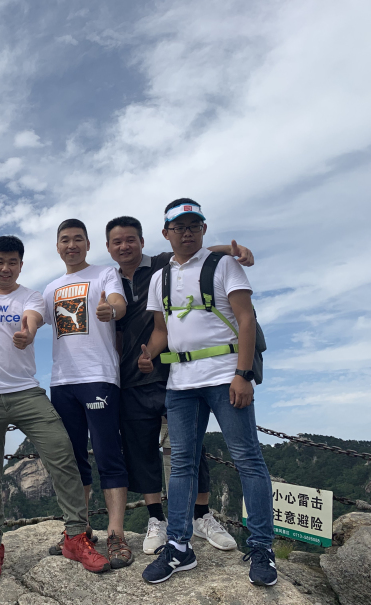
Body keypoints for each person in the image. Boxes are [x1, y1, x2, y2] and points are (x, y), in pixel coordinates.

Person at [139, 200, 276, 586]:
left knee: (247, 459)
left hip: (224, 376)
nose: (187, 232)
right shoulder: (159, 278)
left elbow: (245, 318)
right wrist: (148, 354)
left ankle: (261, 547)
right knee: (182, 463)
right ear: (166, 233)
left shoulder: (224, 265)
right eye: (179, 227)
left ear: (202, 228)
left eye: (194, 226)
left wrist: (243, 374)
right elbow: (162, 330)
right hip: (180, 382)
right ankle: (179, 546)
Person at [0, 235, 110, 580]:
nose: (5, 268)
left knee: (62, 455)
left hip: (26, 392)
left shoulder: (31, 296)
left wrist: (26, 335)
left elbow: (31, 320)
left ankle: (75, 536)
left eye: (12, 262)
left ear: (20, 265)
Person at [106, 215, 253, 554]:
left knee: (190, 449)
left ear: (143, 241)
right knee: (142, 448)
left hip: (174, 373)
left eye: (130, 239)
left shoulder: (161, 265)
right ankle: (156, 519)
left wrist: (233, 250)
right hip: (131, 376)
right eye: (117, 242)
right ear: (109, 248)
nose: (125, 246)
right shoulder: (109, 280)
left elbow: (195, 253)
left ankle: (201, 515)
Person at [41, 219, 133, 568]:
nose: (71, 245)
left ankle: (116, 533)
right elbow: (32, 313)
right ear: (57, 247)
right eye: (65, 240)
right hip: (62, 381)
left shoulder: (104, 274)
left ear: (88, 243)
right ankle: (79, 531)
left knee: (108, 453)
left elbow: (118, 303)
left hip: (99, 377)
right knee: (72, 459)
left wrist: (112, 309)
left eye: (78, 239)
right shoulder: (51, 288)